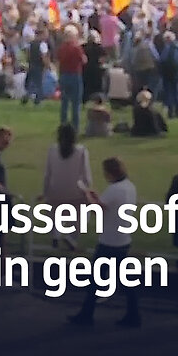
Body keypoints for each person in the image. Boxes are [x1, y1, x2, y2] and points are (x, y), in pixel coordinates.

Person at [69, 157, 140, 327]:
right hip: (123, 238)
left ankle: (86, 316)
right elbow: (107, 205)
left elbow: (97, 210)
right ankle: (133, 314)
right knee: (125, 280)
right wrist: (96, 198)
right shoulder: (129, 187)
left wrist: (87, 196)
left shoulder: (114, 189)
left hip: (109, 241)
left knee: (95, 281)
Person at [40, 123, 91, 250]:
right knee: (84, 211)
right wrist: (87, 190)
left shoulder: (52, 149)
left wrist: (46, 192)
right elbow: (86, 176)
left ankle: (55, 234)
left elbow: (48, 173)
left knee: (53, 210)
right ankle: (72, 236)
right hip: (75, 191)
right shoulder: (81, 150)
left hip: (55, 190)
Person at [57, 25, 87, 134]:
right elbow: (84, 60)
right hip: (75, 75)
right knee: (76, 103)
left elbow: (58, 59)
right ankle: (75, 127)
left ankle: (63, 125)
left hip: (64, 75)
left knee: (64, 103)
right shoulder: (76, 48)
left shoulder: (61, 48)